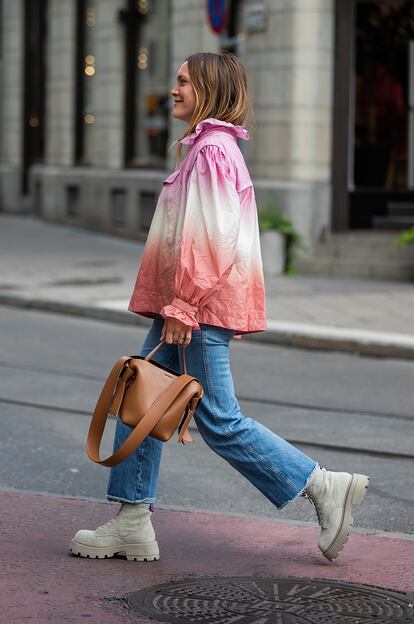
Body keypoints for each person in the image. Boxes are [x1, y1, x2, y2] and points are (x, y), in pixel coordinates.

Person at [70, 52, 369, 563]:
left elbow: (212, 238)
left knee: (219, 421)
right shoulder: (209, 148)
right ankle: (132, 520)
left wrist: (184, 305)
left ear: (208, 87)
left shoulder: (211, 151)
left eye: (184, 81)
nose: (174, 89)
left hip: (197, 310)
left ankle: (323, 486)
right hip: (190, 307)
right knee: (139, 399)